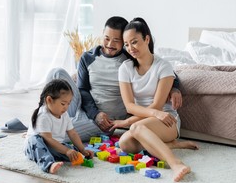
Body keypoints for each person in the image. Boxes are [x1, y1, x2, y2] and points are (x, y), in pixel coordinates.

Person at [47, 16, 182, 142]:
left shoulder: (130, 58)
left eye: (116, 41)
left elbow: (159, 68)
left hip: (106, 120)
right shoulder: (87, 57)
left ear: (124, 41)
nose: (110, 44)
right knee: (56, 73)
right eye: (106, 38)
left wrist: (175, 87)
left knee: (57, 134)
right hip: (85, 109)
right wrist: (95, 113)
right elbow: (82, 89)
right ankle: (44, 118)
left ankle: (50, 127)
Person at [118, 17, 198, 182]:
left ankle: (176, 164)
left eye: (134, 42)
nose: (130, 48)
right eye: (126, 44)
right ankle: (172, 145)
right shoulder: (125, 68)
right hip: (149, 118)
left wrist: (130, 122)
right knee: (124, 143)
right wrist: (150, 115)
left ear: (146, 39)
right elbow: (129, 106)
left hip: (167, 119)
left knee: (136, 129)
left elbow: (158, 105)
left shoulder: (164, 67)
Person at [24, 79, 94, 174]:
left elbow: (72, 133)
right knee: (35, 139)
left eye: (68, 104)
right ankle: (48, 165)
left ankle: (79, 155)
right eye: (63, 104)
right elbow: (48, 139)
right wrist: (66, 151)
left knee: (73, 151)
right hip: (35, 148)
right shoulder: (43, 115)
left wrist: (82, 150)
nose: (66, 107)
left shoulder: (64, 115)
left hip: (54, 146)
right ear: (49, 100)